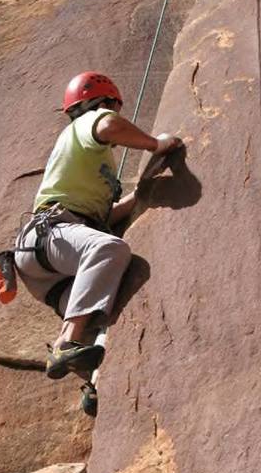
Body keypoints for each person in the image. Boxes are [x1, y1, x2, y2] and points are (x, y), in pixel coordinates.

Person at [14, 71, 182, 379]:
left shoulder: (87, 155)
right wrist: (155, 145)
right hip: (53, 233)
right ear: (105, 101)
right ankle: (67, 343)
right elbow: (108, 125)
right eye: (114, 107)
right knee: (108, 249)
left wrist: (140, 195)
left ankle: (92, 387)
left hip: (49, 267)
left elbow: (99, 217)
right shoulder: (88, 123)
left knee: (101, 311)